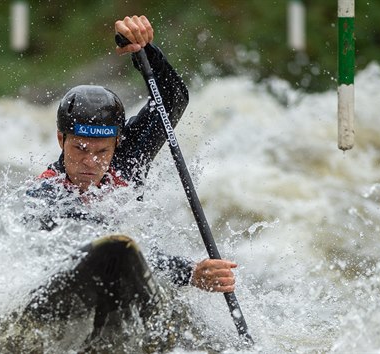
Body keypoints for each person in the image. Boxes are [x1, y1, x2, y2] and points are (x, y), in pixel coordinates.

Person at [28, 15, 237, 301]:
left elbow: (172, 99)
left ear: (117, 142)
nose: (91, 162)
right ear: (61, 140)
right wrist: (189, 272)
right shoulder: (45, 195)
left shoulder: (128, 157)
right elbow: (106, 247)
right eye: (80, 149)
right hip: (74, 286)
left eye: (102, 151)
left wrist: (143, 50)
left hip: (128, 275)